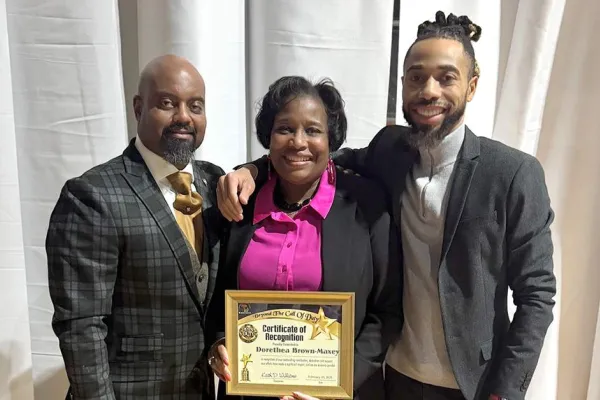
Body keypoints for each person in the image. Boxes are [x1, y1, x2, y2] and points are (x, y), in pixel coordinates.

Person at [216, 12, 556, 400]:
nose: (429, 90)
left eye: (446, 77)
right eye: (416, 77)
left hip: (475, 384)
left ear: (472, 85)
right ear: (403, 84)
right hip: (397, 377)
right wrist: (253, 169)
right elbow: (311, 158)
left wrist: (505, 391)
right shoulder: (389, 150)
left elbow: (537, 294)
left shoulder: (512, 172)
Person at [205, 76, 402, 400]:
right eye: (285, 129)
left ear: (330, 138)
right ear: (268, 136)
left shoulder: (366, 205)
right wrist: (218, 343)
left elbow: (386, 312)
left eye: (312, 130)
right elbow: (217, 294)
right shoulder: (241, 204)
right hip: (248, 391)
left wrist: (337, 384)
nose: (298, 142)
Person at [46, 55, 225, 399]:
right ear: (139, 108)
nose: (184, 117)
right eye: (168, 103)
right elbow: (81, 327)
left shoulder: (216, 183)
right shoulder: (91, 195)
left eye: (196, 106)